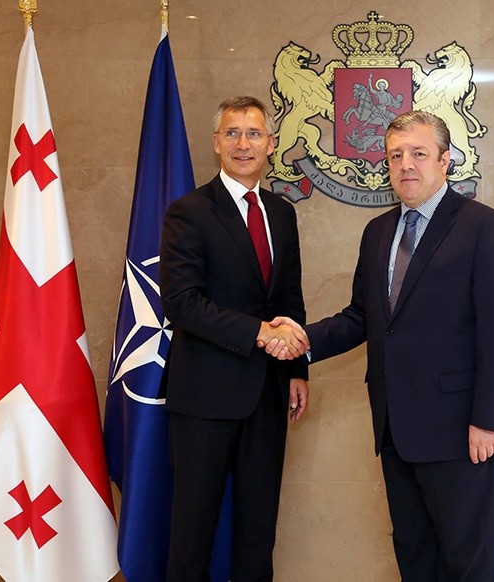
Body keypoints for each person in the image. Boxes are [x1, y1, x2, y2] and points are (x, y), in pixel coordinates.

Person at [265, 111, 494, 580]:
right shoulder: (378, 232)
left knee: (468, 562)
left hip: (460, 433)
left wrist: (488, 420)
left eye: (419, 154)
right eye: (396, 155)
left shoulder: (484, 227)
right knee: (415, 557)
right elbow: (362, 318)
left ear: (446, 161)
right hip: (395, 428)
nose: (407, 164)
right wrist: (301, 341)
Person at [160, 96, 309, 582]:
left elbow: (289, 297)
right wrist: (260, 334)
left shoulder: (282, 214)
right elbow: (182, 303)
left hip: (267, 395)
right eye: (232, 133)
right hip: (204, 397)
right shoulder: (189, 212)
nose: (243, 144)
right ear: (216, 143)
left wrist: (297, 370)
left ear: (271, 143)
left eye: (253, 133)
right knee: (193, 532)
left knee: (257, 532)